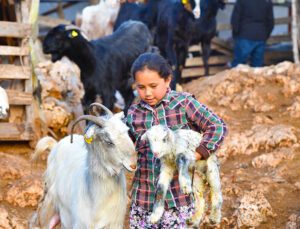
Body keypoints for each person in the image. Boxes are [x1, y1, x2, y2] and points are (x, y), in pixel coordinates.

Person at [126, 52, 227, 228]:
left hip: (179, 199)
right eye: (141, 87)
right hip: (144, 197)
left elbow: (217, 126)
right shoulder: (134, 114)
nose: (147, 93)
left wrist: (197, 154)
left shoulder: (183, 104)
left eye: (153, 85)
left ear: (167, 80)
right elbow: (126, 144)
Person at [229, 0, 274, 68]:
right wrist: (265, 36)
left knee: (238, 66)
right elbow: (270, 22)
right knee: (257, 68)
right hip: (260, 36)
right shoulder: (267, 2)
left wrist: (235, 34)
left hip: (244, 35)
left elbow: (235, 19)